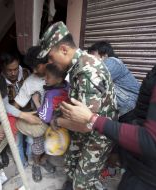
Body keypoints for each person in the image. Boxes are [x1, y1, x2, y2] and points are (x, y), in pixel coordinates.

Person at [60, 2, 156, 189]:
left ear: (102, 55)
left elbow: (154, 141)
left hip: (150, 173)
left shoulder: (109, 63)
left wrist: (92, 119)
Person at [38, 22, 118, 190]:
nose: (50, 63)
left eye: (51, 57)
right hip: (83, 131)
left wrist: (58, 122)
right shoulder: (78, 66)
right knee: (70, 165)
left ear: (64, 50)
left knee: (83, 182)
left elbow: (87, 125)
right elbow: (77, 102)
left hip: (98, 137)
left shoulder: (86, 72)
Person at [14, 46, 56, 182]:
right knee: (37, 146)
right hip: (40, 121)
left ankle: (44, 160)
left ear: (47, 63)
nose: (34, 71)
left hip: (57, 120)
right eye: (32, 67)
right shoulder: (30, 82)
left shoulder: (59, 74)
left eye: (37, 67)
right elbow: (17, 104)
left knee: (51, 145)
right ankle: (36, 164)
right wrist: (17, 117)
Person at [0, 52, 40, 167]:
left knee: (31, 141)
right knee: (17, 143)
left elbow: (34, 91)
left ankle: (31, 159)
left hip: (29, 113)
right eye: (9, 70)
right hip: (13, 116)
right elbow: (5, 105)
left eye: (15, 69)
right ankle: (23, 163)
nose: (13, 73)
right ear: (2, 68)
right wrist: (21, 114)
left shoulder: (27, 73)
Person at [88, 41, 140, 122]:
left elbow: (97, 81)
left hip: (130, 109)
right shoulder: (106, 64)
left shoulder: (112, 61)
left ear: (104, 55)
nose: (91, 60)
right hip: (125, 109)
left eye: (93, 56)